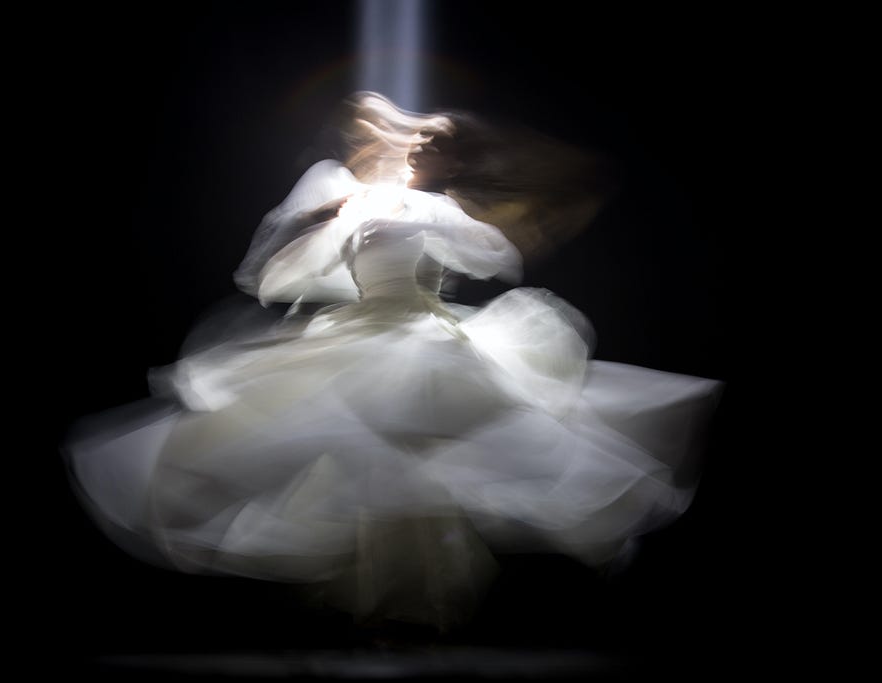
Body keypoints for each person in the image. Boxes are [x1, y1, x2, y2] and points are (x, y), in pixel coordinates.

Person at [64, 92, 722, 632]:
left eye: (394, 134)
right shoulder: (346, 198)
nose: (387, 142)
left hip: (425, 333)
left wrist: (488, 199)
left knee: (431, 455)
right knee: (355, 454)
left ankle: (417, 608)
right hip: (364, 329)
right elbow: (266, 275)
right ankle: (376, 607)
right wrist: (317, 219)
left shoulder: (432, 206)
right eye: (369, 133)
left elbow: (497, 252)